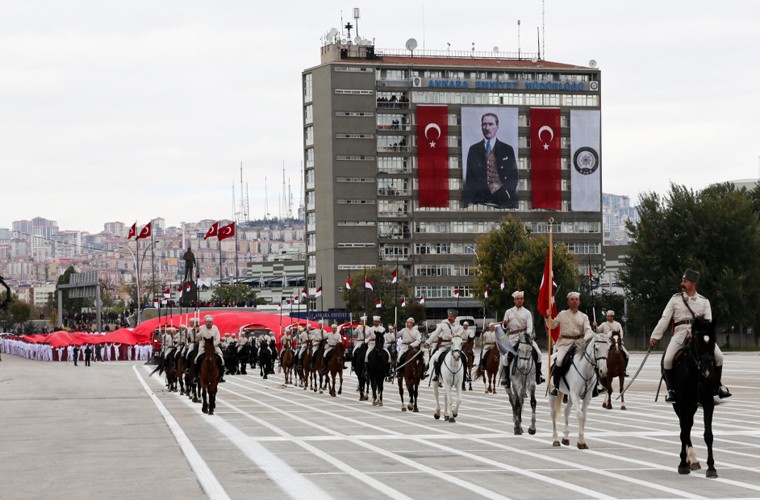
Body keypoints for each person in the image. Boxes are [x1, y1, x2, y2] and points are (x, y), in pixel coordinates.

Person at [649, 269, 731, 402]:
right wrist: (655, 336)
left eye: (685, 281)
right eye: (682, 280)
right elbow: (665, 318)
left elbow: (708, 322)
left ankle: (717, 386)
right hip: (680, 333)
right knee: (667, 360)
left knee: (719, 357)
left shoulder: (704, 302)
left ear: (693, 283)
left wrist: (699, 332)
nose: (682, 283)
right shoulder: (675, 299)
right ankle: (671, 390)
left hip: (699, 334)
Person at [462, 112, 518, 208]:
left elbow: (513, 175)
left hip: (502, 199)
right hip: (479, 200)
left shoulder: (507, 149)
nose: (487, 128)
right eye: (484, 124)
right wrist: (470, 202)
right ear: (481, 126)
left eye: (491, 124)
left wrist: (507, 194)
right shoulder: (473, 149)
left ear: (497, 126)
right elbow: (469, 178)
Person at [547, 292, 596, 396]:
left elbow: (588, 330)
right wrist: (548, 317)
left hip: (580, 343)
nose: (574, 301)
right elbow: (552, 325)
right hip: (565, 343)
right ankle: (556, 386)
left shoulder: (584, 316)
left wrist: (585, 339)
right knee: (559, 360)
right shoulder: (562, 314)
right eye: (572, 299)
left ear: (579, 302)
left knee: (593, 359)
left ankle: (596, 386)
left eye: (576, 299)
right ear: (568, 302)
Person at [502, 291, 544, 386]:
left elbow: (530, 326)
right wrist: (505, 323)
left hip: (525, 338)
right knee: (505, 357)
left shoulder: (527, 313)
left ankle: (538, 376)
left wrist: (527, 336)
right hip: (513, 338)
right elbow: (504, 327)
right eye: (517, 299)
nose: (519, 300)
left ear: (523, 300)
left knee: (539, 354)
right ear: (514, 300)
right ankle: (506, 379)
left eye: (521, 299)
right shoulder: (508, 312)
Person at [423, 309, 463, 382]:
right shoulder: (443, 324)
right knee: (436, 358)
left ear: (455, 317)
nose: (449, 317)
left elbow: (460, 335)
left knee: (464, 358)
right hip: (444, 346)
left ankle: (465, 375)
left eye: (451, 316)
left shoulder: (459, 326)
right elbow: (435, 333)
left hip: (454, 346)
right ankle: (436, 375)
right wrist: (428, 342)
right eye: (449, 316)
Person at [595, 310, 629, 376]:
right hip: (607, 343)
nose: (607, 317)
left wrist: (619, 340)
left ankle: (624, 369)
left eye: (608, 316)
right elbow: (597, 331)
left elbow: (621, 333)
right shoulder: (604, 324)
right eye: (607, 316)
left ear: (612, 317)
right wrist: (595, 326)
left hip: (616, 342)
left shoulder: (618, 324)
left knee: (627, 354)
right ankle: (599, 369)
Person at [194, 315, 225, 383]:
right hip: (203, 348)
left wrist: (211, 346)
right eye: (207, 322)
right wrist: (196, 330)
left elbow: (218, 340)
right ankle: (196, 376)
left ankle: (221, 376)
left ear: (212, 323)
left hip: (214, 347)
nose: (209, 323)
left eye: (210, 322)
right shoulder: (202, 329)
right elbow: (197, 338)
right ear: (205, 323)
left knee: (222, 360)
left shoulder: (215, 330)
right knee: (196, 360)